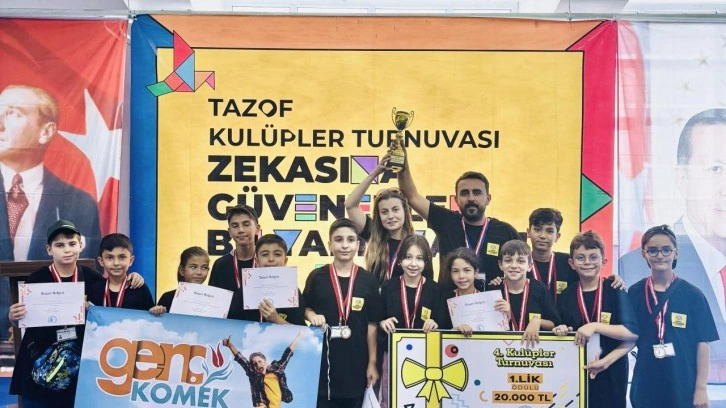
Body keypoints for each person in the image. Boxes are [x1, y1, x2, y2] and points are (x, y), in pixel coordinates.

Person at [619, 109, 726, 382]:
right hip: (667, 384)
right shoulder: (633, 268)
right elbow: (627, 336)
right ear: (682, 179)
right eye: (715, 169)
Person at [0, 85, 102, 341]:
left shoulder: (80, 203)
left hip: (54, 337)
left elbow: (92, 277)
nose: (0, 123)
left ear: (46, 131)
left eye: (13, 113)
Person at [6, 220, 141, 407]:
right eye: (60, 245)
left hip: (76, 366)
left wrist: (133, 277)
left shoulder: (92, 278)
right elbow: (23, 319)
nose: (67, 250)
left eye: (72, 244)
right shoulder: (37, 279)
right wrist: (13, 317)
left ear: (80, 246)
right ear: (49, 249)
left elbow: (113, 299)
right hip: (40, 361)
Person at [628, 225, 718, 408]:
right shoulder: (635, 292)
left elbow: (703, 343)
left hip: (682, 383)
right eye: (653, 250)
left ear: (676, 253)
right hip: (646, 384)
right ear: (644, 254)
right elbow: (627, 336)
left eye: (666, 249)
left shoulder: (693, 295)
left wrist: (701, 388)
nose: (660, 255)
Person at [397, 158, 520, 290]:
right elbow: (412, 196)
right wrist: (401, 161)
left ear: (488, 199)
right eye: (464, 193)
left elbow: (522, 268)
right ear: (456, 199)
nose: (471, 198)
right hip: (449, 300)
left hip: (491, 302)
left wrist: (507, 280)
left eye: (477, 193)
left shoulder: (505, 232)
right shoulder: (446, 221)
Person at [552, 231, 638, 408]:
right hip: (576, 372)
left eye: (593, 257)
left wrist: (595, 326)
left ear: (604, 262)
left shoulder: (615, 290)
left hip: (611, 371)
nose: (587, 262)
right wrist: (561, 330)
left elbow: (632, 333)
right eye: (580, 258)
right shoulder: (566, 295)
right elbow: (563, 329)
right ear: (571, 263)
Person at [303, 218, 380, 407]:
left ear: (358, 245)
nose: (345, 245)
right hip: (323, 364)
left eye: (350, 240)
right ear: (329, 244)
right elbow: (305, 307)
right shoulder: (317, 277)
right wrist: (311, 315)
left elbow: (372, 324)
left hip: (356, 364)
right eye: (338, 240)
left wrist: (372, 362)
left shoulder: (368, 280)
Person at [345, 153, 431, 285]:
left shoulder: (417, 243)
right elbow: (350, 205)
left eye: (395, 210)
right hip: (376, 298)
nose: (390, 216)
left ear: (405, 211)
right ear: (379, 215)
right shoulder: (373, 234)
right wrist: (374, 173)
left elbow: (427, 283)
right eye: (384, 212)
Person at [378, 234, 440, 408]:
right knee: (391, 399)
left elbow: (442, 323)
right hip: (393, 355)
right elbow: (377, 319)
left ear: (426, 261)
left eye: (419, 258)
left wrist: (435, 323)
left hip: (425, 356)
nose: (413, 264)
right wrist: (383, 323)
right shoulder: (388, 287)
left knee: (423, 400)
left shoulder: (436, 290)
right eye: (408, 257)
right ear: (400, 260)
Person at [490, 240, 561, 347]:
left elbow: (555, 324)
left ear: (530, 266)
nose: (514, 266)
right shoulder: (494, 290)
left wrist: (538, 321)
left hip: (535, 350)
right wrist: (506, 317)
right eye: (508, 261)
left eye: (520, 261)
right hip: (501, 349)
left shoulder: (540, 289)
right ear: (500, 265)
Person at [227, 234, 306, 325]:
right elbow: (232, 326)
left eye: (277, 254)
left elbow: (301, 331)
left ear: (285, 261)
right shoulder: (244, 292)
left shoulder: (293, 293)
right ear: (257, 261)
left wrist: (277, 320)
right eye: (265, 254)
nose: (271, 259)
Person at [222, 330, 303, 408]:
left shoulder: (277, 368)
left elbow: (287, 354)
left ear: (265, 362)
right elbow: (241, 359)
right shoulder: (254, 374)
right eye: (254, 364)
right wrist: (230, 346)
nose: (258, 365)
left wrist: (299, 336)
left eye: (260, 361)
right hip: (262, 405)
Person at [87, 233, 154, 311]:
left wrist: (156, 311)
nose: (116, 263)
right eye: (109, 257)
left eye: (122, 257)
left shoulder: (140, 288)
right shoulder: (95, 290)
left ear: (131, 260)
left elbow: (150, 316)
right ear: (101, 261)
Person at [526, 208, 580, 300]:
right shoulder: (520, 264)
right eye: (537, 229)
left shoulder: (569, 263)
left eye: (549, 231)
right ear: (528, 232)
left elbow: (588, 283)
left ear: (557, 236)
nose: (542, 236)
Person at [209, 204, 261, 293]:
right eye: (235, 226)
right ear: (229, 231)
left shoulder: (267, 262)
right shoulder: (220, 265)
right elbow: (213, 299)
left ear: (257, 229)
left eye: (246, 224)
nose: (241, 230)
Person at [151, 246, 210, 315]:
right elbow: (157, 320)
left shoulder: (212, 299)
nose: (199, 272)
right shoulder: (168, 298)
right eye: (193, 267)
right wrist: (156, 311)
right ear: (182, 270)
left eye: (204, 267)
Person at [437, 247, 482, 335]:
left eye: (466, 270)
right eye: (455, 271)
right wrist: (454, 331)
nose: (461, 276)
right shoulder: (446, 299)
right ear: (451, 274)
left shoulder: (486, 298)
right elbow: (440, 332)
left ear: (476, 272)